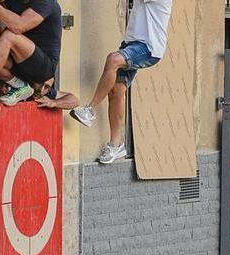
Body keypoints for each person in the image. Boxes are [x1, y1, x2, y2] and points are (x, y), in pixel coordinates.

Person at [68, 0, 174, 164]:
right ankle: (116, 145)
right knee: (116, 91)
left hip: (148, 47)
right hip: (132, 44)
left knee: (113, 60)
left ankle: (90, 110)